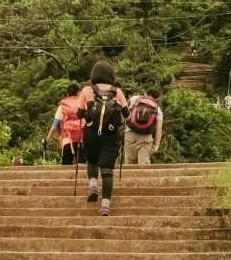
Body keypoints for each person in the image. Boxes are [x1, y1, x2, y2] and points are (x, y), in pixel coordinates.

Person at [77, 59, 128, 217]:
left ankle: (93, 185)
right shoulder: (117, 92)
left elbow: (79, 114)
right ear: (111, 75)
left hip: (91, 132)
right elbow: (127, 114)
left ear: (94, 74)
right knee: (107, 171)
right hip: (111, 135)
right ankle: (105, 206)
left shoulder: (87, 90)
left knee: (92, 160)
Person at [44, 82, 84, 165]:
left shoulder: (62, 106)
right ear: (78, 92)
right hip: (82, 140)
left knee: (66, 169)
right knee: (82, 170)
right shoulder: (83, 104)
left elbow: (54, 126)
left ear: (67, 93)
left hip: (67, 140)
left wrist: (47, 140)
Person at [124, 92, 163, 165]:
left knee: (130, 165)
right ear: (158, 99)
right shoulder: (158, 109)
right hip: (146, 137)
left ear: (145, 93)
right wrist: (156, 145)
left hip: (130, 134)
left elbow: (125, 113)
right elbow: (159, 128)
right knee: (143, 165)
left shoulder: (134, 99)